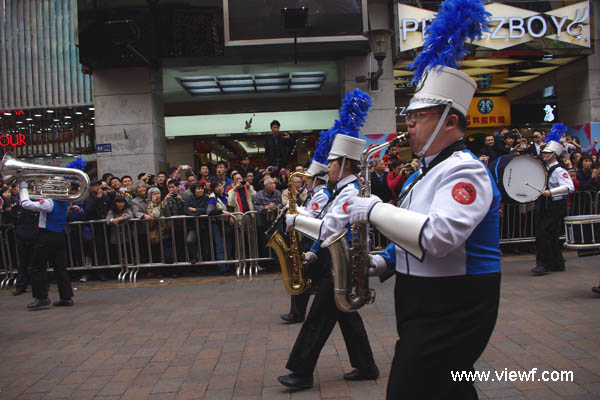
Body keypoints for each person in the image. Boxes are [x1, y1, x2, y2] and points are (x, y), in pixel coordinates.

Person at [345, 53, 502, 399]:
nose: (409, 125)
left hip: (455, 299)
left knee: (411, 388)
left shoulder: (465, 170)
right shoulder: (422, 173)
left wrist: (374, 210)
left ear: (450, 121)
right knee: (448, 388)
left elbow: (438, 236)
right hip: (425, 296)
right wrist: (384, 260)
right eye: (409, 116)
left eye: (419, 116)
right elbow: (411, 230)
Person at [281, 133, 379, 389]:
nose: (328, 168)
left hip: (341, 264)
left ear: (345, 163)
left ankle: (302, 372)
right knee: (346, 315)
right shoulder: (343, 190)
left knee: (318, 318)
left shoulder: (349, 192)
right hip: (338, 261)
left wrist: (296, 221)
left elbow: (328, 228)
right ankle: (366, 365)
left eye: (332, 162)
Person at [280, 160, 330, 324]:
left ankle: (298, 313)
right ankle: (299, 312)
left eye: (308, 178)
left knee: (304, 276)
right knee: (310, 277)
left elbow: (312, 217)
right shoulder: (315, 193)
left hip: (314, 239)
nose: (305, 181)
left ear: (316, 179)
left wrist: (295, 213)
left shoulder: (322, 194)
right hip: (312, 239)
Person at [19, 181, 75, 310]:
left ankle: (41, 297)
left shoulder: (49, 202)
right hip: (59, 234)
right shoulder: (64, 201)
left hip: (48, 235)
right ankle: (66, 297)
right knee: (60, 267)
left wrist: (23, 188)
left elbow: (25, 204)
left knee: (36, 266)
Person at [184, 182, 209, 264]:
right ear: (194, 190)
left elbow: (207, 210)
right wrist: (194, 215)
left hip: (204, 225)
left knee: (205, 247)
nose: (200, 190)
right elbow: (186, 210)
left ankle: (206, 264)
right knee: (190, 240)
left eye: (202, 189)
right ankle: (194, 257)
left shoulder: (206, 198)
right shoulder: (189, 198)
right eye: (198, 189)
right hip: (193, 225)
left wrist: (195, 210)